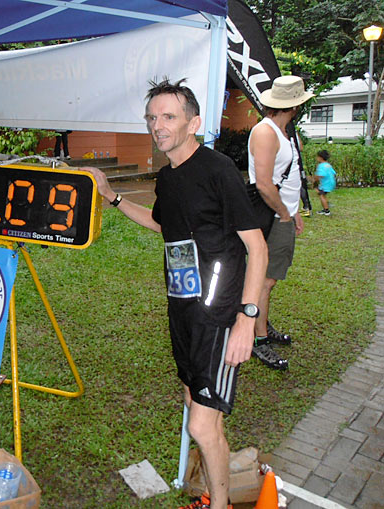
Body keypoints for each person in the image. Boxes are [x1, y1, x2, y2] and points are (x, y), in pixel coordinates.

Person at [83, 78, 267, 509]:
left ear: (194, 122)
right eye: (152, 117)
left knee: (203, 426)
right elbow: (163, 226)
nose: (157, 125)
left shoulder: (217, 169)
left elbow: (256, 246)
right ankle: (209, 489)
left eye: (168, 116)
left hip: (220, 314)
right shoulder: (167, 177)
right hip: (182, 309)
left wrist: (247, 319)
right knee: (194, 403)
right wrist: (111, 197)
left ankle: (218, 504)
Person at [247, 76, 314, 370]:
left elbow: (286, 176)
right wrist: (284, 214)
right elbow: (263, 184)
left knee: (269, 280)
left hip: (282, 214)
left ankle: (262, 325)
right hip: (271, 217)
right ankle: (258, 339)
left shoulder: (284, 131)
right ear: (296, 105)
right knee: (265, 280)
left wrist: (294, 210)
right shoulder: (266, 132)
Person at [314, 149, 336, 216]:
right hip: (331, 183)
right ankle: (326, 206)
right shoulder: (328, 165)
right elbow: (334, 173)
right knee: (323, 194)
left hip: (325, 184)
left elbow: (320, 175)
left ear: (320, 158)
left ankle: (326, 210)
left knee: (321, 195)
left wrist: (314, 179)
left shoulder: (321, 166)